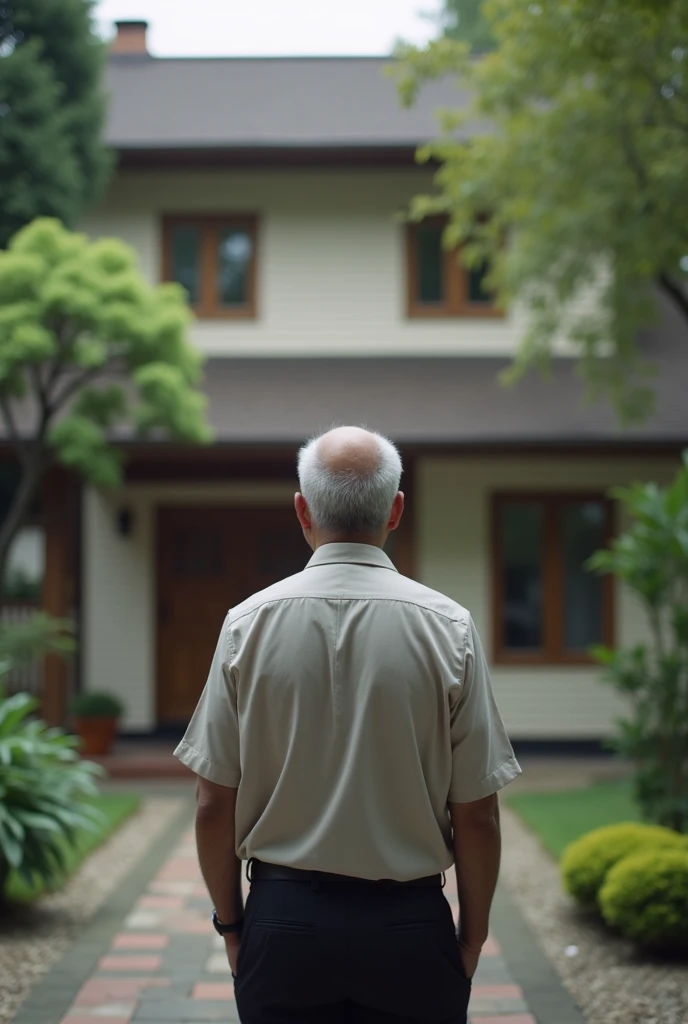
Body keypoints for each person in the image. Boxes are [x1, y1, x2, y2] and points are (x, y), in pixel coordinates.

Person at [174, 425, 522, 1024]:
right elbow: (479, 814)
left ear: (302, 511)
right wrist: (471, 938)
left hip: (283, 924)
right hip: (410, 927)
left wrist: (232, 928)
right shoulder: (450, 628)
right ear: (396, 510)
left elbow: (211, 805)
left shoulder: (245, 626)